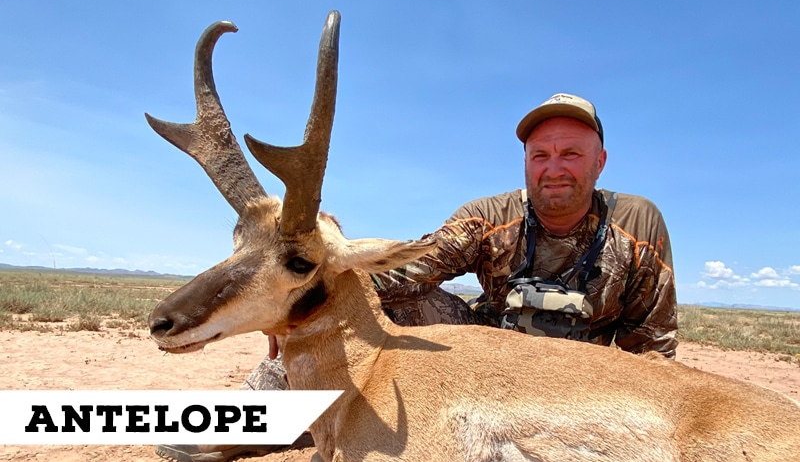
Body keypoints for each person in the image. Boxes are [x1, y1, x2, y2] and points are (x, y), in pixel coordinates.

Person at [156, 92, 678, 462]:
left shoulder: (638, 224)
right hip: (485, 355)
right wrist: (288, 294)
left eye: (571, 153)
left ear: (600, 162)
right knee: (374, 302)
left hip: (579, 381)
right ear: (525, 162)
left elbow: (653, 348)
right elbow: (407, 271)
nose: (554, 166)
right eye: (541, 154)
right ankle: (258, 416)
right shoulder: (489, 215)